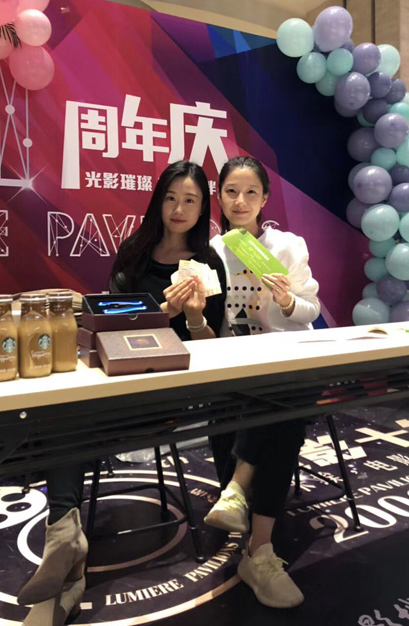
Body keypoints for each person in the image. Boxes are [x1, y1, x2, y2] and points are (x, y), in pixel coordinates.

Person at [17, 161, 226, 625]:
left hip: (170, 388)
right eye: (170, 197)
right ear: (158, 200)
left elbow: (214, 351)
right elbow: (106, 327)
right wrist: (159, 313)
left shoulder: (208, 265)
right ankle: (63, 539)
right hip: (117, 377)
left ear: (202, 209)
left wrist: (192, 318)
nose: (178, 208)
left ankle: (66, 555)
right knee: (61, 409)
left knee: (70, 418)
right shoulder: (134, 252)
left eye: (190, 200)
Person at [204, 156, 320, 609]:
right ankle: (259, 550)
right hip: (234, 367)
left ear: (265, 198)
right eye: (231, 191)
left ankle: (239, 492)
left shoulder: (287, 246)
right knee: (281, 418)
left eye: (251, 192)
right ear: (219, 197)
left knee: (281, 398)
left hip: (286, 360)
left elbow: (311, 311)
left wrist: (288, 300)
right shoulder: (211, 252)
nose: (241, 201)